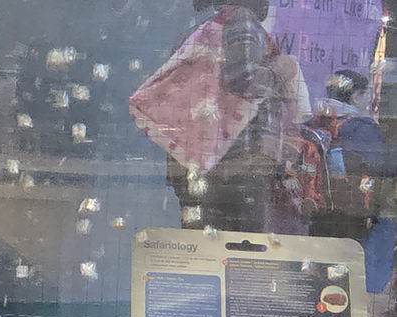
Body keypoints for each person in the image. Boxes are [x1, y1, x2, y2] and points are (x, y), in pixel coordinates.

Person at [162, 0, 308, 234]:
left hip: (197, 160)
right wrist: (279, 71)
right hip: (238, 164)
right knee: (242, 251)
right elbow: (245, 81)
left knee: (199, 244)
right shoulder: (242, 21)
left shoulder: (199, 29)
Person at [309, 70, 395, 293]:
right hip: (352, 216)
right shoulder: (363, 129)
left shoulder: (313, 123)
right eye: (366, 93)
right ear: (356, 96)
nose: (370, 99)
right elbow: (383, 168)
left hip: (316, 213)